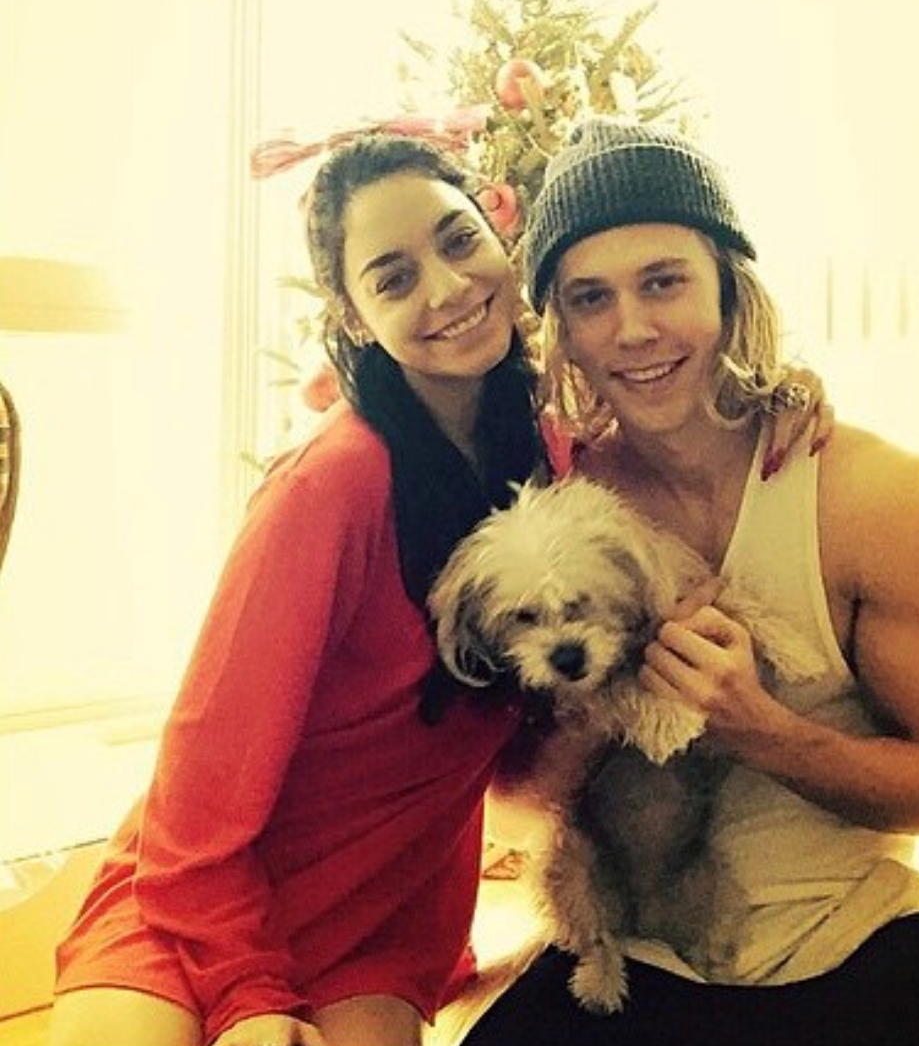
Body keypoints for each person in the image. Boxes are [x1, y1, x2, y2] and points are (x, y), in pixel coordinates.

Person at [48, 131, 824, 1046]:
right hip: (204, 903)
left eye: (458, 241)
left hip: (382, 920)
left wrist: (777, 395)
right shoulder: (327, 487)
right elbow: (198, 792)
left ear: (501, 238)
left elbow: (680, 428)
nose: (448, 288)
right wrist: (248, 997)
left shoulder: (554, 454)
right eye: (393, 278)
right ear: (352, 317)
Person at [454, 118, 919, 1046]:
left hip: (857, 936)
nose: (633, 330)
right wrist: (598, 716)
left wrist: (763, 731)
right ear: (561, 331)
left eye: (664, 281)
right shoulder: (556, 518)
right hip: (640, 960)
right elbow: (510, 812)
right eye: (590, 298)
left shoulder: (876, 499)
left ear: (731, 290)